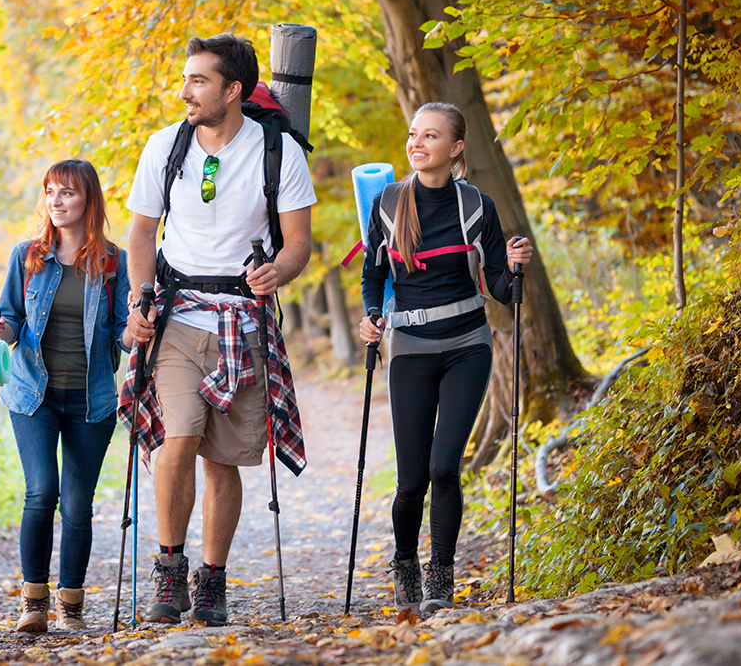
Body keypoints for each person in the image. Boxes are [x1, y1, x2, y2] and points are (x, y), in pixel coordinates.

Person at [123, 33, 316, 627]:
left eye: (198, 81)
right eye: (186, 80)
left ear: (233, 90)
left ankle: (210, 580)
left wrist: (276, 272)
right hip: (178, 315)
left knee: (223, 459)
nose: (185, 92)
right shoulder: (164, 146)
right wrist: (139, 298)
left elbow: (299, 243)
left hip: (243, 321)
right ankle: (169, 570)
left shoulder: (278, 153)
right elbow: (139, 234)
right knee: (177, 438)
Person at [358, 102, 534, 614]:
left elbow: (501, 287)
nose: (417, 143)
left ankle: (440, 576)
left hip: (467, 347)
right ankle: (406, 563)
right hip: (409, 349)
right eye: (414, 134)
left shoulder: (476, 206)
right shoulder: (389, 205)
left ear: (455, 148)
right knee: (411, 481)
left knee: (443, 468)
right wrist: (372, 314)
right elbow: (374, 275)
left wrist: (516, 267)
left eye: (430, 136)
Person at [0, 159, 130, 633]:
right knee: (41, 491)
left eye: (66, 192)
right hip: (34, 396)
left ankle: (71, 605)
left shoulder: (113, 262)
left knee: (76, 505)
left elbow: (126, 331)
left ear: (88, 199)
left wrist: (138, 334)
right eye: (50, 192)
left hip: (92, 400)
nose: (56, 201)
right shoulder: (28, 255)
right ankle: (33, 603)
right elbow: (9, 319)